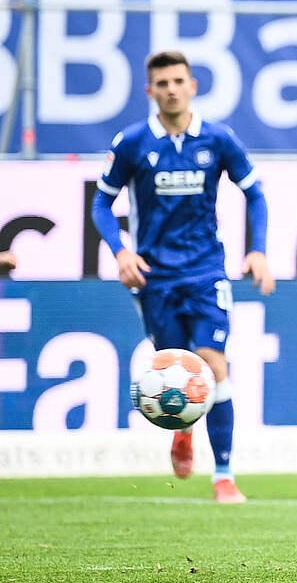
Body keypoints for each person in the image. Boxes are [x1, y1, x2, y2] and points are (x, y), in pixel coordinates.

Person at [92, 50, 275, 504]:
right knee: (174, 365)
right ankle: (184, 430)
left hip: (205, 270)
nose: (171, 90)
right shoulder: (132, 143)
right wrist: (121, 252)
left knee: (213, 362)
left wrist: (258, 250)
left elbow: (255, 194)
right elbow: (101, 204)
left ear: (192, 86)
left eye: (178, 81)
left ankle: (224, 476)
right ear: (150, 91)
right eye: (163, 83)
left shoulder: (218, 139)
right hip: (155, 277)